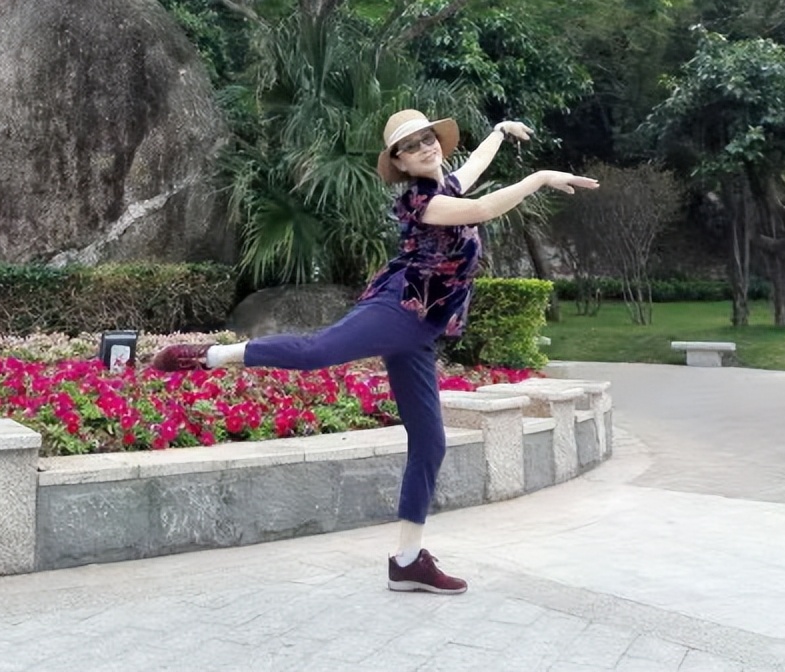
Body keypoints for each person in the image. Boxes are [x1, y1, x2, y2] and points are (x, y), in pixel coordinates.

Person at [151, 108, 600, 594]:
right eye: (412, 145)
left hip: (422, 331)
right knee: (316, 351)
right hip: (397, 310)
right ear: (400, 162)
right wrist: (538, 177)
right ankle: (212, 356)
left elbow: (474, 168)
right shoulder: (423, 201)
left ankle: (407, 561)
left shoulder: (447, 184)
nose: (425, 147)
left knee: (429, 442)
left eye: (429, 138)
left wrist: (498, 132)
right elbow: (484, 208)